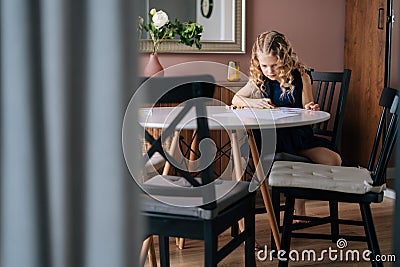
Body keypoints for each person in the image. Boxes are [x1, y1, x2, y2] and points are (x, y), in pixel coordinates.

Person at [232, 30, 342, 218]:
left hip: (299, 138)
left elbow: (307, 105)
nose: (269, 71)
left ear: (284, 58)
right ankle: (244, 217)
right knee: (244, 165)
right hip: (270, 140)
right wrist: (253, 102)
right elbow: (236, 98)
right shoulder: (260, 78)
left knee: (334, 160)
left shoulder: (301, 76)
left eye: (274, 65)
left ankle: (299, 206)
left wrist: (311, 107)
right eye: (264, 65)